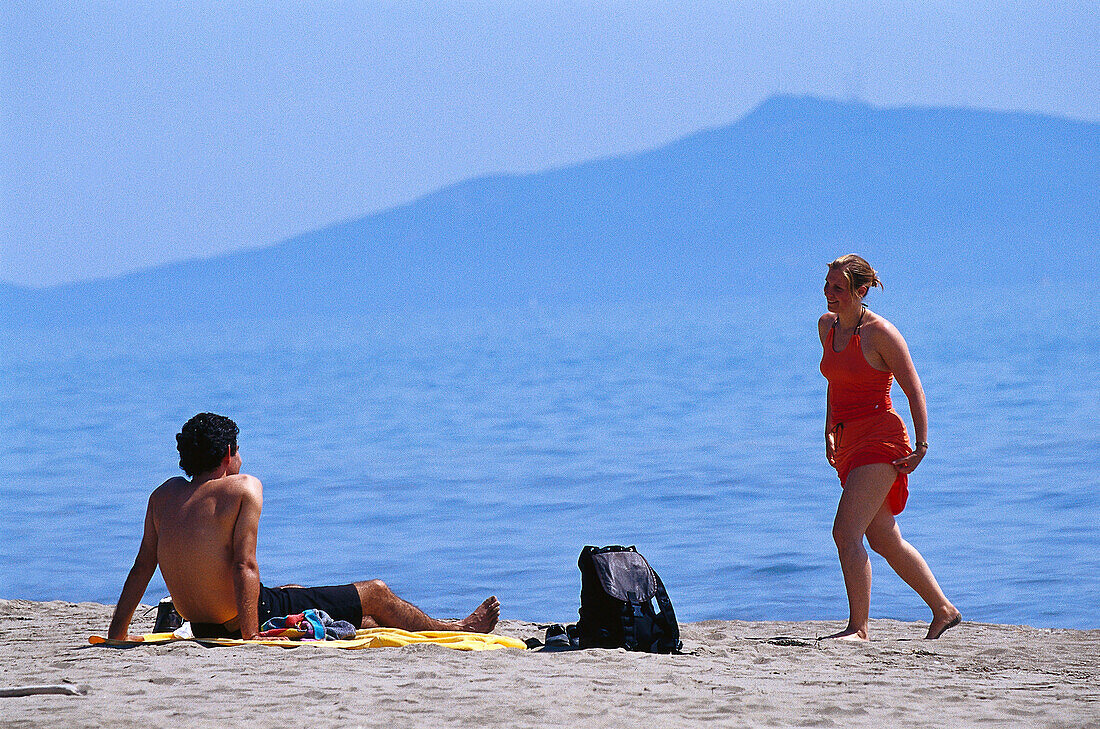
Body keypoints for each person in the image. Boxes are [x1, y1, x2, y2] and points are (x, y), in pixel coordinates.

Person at [108, 412, 499, 640]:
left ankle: (384, 622)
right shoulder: (242, 488)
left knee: (302, 595)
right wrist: (251, 639)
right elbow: (243, 565)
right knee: (377, 592)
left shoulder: (163, 496)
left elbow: (143, 567)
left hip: (203, 622)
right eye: (238, 448)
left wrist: (117, 635)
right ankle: (459, 627)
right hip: (240, 622)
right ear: (228, 454)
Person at [819, 255, 960, 640]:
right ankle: (944, 609)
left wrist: (922, 443)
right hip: (848, 442)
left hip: (882, 439)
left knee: (846, 532)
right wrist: (828, 428)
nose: (829, 294)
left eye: (839, 288)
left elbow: (914, 389)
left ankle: (858, 628)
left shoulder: (881, 334)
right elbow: (835, 382)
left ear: (860, 291)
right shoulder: (827, 328)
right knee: (883, 537)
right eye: (827, 286)